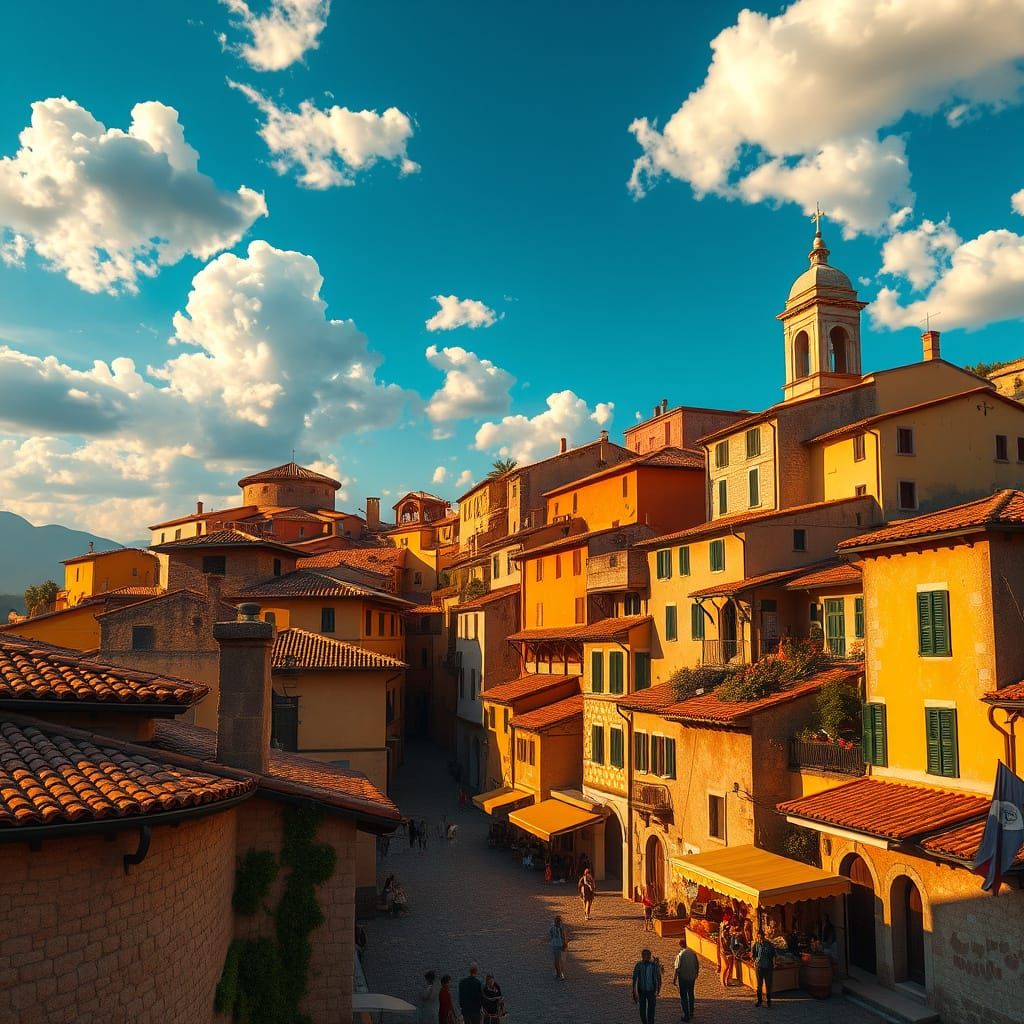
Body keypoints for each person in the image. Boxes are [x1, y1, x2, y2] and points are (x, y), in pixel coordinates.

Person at [673, 934, 700, 1022]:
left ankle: (686, 1015)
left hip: (683, 977)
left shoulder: (680, 954)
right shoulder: (693, 953)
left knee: (684, 996)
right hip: (691, 977)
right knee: (691, 994)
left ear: (681, 945)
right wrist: (696, 973)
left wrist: (674, 979)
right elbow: (697, 964)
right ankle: (691, 1011)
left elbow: (677, 968)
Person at [631, 948, 662, 1024]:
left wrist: (658, 988)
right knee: (642, 1009)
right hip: (642, 991)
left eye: (649, 955)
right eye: (646, 955)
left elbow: (659, 976)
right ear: (642, 956)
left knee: (651, 1009)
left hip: (651, 991)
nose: (648, 956)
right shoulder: (639, 965)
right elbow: (634, 979)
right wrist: (634, 992)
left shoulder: (653, 965)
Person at [752, 929, 777, 1008]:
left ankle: (769, 1000)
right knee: (759, 985)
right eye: (758, 937)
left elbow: (774, 955)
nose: (760, 939)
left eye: (761, 937)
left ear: (764, 937)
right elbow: (753, 954)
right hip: (759, 967)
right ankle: (759, 1000)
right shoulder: (756, 944)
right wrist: (755, 962)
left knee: (768, 984)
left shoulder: (769, 944)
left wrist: (774, 963)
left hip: (768, 967)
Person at [549, 914, 569, 979]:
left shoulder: (553, 928)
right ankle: (560, 973)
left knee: (558, 960)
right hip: (559, 945)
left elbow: (551, 936)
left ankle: (559, 973)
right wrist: (565, 944)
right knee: (560, 960)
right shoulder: (560, 928)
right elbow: (564, 937)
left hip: (556, 945)